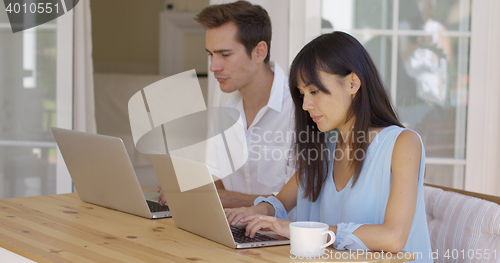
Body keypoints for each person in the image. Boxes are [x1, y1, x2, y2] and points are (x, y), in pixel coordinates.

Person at [225, 31, 432, 261]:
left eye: (314, 91)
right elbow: (280, 202)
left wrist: (304, 231)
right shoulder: (324, 146)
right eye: (302, 93)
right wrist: (256, 211)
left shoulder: (403, 144)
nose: (305, 104)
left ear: (353, 83)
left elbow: (393, 237)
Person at [158, 1, 296, 209]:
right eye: (210, 54)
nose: (214, 66)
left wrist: (226, 198)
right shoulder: (226, 100)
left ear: (259, 52)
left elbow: (298, 200)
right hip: (231, 230)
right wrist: (188, 187)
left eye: (225, 54)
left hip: (282, 237)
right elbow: (218, 178)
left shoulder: (300, 108)